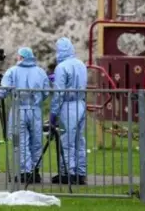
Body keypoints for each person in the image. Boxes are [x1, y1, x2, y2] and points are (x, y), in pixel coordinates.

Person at [0, 47, 50, 184]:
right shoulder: (40, 72)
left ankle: (24, 172)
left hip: (18, 110)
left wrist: (2, 94)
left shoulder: (12, 71)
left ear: (21, 57)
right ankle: (35, 171)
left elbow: (2, 92)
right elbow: (46, 92)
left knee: (21, 142)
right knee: (36, 141)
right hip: (35, 110)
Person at [49, 37, 88, 185]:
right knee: (80, 141)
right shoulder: (81, 64)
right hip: (80, 103)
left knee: (67, 141)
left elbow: (59, 93)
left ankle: (67, 173)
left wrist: (53, 114)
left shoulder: (62, 67)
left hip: (68, 105)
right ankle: (80, 172)